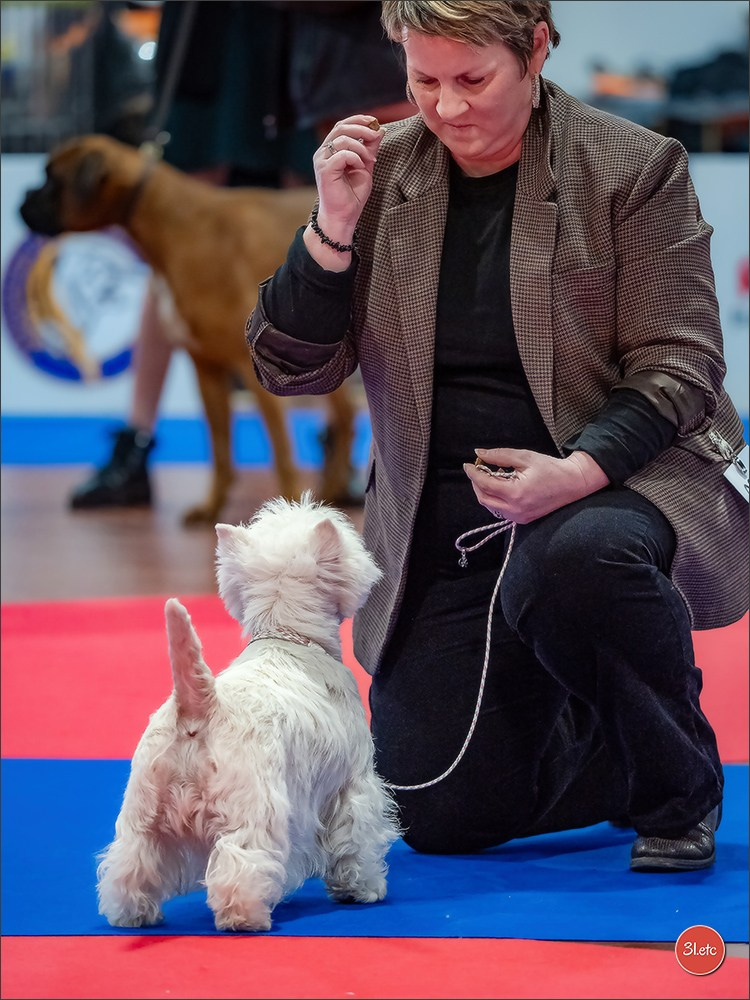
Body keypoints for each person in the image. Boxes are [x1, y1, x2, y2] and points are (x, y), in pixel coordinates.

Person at [245, 0, 748, 872]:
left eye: (472, 79)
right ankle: (605, 727)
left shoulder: (634, 166)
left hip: (622, 486)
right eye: (423, 79)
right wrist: (330, 232)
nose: (446, 107)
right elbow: (290, 369)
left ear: (537, 48)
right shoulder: (379, 174)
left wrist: (579, 470)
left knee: (577, 558)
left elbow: (682, 363)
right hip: (447, 523)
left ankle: (675, 786)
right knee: (429, 809)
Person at [69, 0, 411, 511]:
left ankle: (336, 441)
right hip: (212, 41)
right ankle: (137, 440)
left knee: (317, 211)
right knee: (176, 238)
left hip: (308, 43)